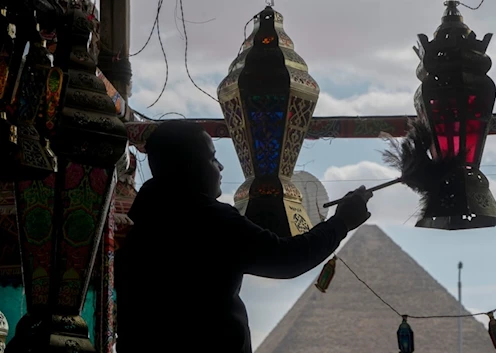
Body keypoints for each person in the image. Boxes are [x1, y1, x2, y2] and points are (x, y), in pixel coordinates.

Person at [115, 120, 373, 353]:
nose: (221, 165)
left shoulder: (145, 220)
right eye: (212, 158)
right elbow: (287, 258)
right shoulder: (208, 220)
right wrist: (341, 222)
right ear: (188, 166)